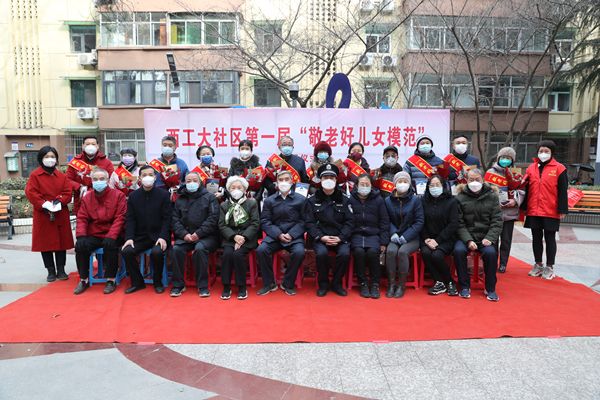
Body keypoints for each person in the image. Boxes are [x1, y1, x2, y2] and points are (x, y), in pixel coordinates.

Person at [73, 167, 127, 295]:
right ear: (91, 181)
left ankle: (111, 280)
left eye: (102, 179)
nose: (99, 181)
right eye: (95, 179)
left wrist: (112, 235)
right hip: (95, 233)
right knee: (80, 246)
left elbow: (120, 218)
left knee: (111, 245)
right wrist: (81, 236)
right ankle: (84, 279)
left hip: (113, 233)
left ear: (107, 180)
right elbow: (82, 218)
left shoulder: (118, 195)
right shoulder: (87, 197)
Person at [25, 146, 75, 282]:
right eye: (47, 157)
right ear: (41, 159)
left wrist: (59, 201)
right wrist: (44, 203)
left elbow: (67, 192)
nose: (50, 159)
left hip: (60, 212)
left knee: (61, 243)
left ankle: (61, 269)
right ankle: (50, 270)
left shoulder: (62, 176)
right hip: (43, 213)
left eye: (52, 157)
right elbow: (31, 192)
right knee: (45, 243)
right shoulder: (35, 175)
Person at [454, 169, 503, 301]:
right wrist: (468, 240)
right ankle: (464, 286)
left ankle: (490, 288)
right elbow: (459, 223)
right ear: (466, 180)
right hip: (466, 236)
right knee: (458, 251)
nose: (474, 182)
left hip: (485, 237)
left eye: (477, 179)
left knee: (491, 253)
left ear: (483, 180)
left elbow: (497, 221)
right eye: (471, 180)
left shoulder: (492, 196)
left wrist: (490, 238)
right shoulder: (460, 197)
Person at [121, 165, 172, 294]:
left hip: (158, 236)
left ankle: (157, 282)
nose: (147, 177)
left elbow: (167, 219)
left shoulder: (164, 195)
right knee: (127, 251)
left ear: (155, 177)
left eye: (150, 175)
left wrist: (163, 236)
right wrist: (129, 238)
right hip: (140, 237)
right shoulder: (133, 196)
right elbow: (130, 219)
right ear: (139, 178)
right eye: (144, 175)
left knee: (157, 252)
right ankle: (137, 282)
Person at [305, 163, 354, 297]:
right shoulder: (312, 200)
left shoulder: (344, 199)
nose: (328, 180)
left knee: (344, 254)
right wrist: (321, 237)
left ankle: (337, 283)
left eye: (331, 178)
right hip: (321, 237)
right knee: (321, 254)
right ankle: (323, 283)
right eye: (325, 177)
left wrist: (341, 237)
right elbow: (309, 223)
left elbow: (350, 222)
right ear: (320, 180)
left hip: (340, 237)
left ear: (336, 180)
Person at [523, 140, 568, 280]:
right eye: (541, 151)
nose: (543, 153)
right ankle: (538, 264)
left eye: (546, 151)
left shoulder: (560, 168)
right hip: (533, 209)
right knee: (536, 238)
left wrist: (562, 209)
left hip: (551, 210)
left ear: (552, 153)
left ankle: (549, 267)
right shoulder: (531, 168)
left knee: (550, 238)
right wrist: (523, 208)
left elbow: (563, 190)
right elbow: (526, 188)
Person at [257, 170, 307, 296]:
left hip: (294, 237)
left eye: (286, 179)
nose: (284, 182)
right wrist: (278, 234)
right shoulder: (269, 200)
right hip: (275, 236)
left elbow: (305, 221)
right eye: (281, 180)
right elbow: (265, 221)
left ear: (292, 181)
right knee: (262, 250)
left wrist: (292, 234)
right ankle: (269, 283)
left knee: (299, 252)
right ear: (277, 182)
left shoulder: (301, 200)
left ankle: (288, 283)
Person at [170, 171, 220, 297]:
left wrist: (198, 234)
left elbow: (213, 219)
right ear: (184, 183)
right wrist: (184, 234)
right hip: (186, 236)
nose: (191, 183)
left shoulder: (210, 197)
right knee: (176, 249)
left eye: (194, 180)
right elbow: (175, 220)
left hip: (207, 236)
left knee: (200, 248)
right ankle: (178, 285)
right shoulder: (180, 199)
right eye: (188, 181)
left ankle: (202, 286)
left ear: (200, 182)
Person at [218, 176, 260, 300]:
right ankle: (226, 286)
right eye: (233, 187)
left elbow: (255, 223)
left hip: (247, 238)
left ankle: (241, 286)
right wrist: (234, 236)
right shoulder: (224, 205)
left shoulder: (252, 203)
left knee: (238, 255)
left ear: (245, 189)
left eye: (239, 187)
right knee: (227, 255)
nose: (236, 190)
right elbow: (222, 225)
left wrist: (243, 237)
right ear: (228, 190)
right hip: (230, 238)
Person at [349, 174, 389, 299]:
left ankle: (375, 284)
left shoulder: (378, 200)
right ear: (356, 185)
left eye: (367, 184)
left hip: (373, 234)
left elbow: (384, 221)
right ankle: (363, 283)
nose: (365, 186)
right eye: (362, 184)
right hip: (356, 234)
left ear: (371, 186)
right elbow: (346, 220)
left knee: (372, 252)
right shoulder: (350, 199)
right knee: (359, 252)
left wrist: (384, 242)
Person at [485, 147, 524, 273]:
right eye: (503, 157)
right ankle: (492, 262)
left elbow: (522, 190)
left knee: (506, 240)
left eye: (508, 158)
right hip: (494, 212)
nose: (505, 160)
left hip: (509, 212)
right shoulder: (491, 172)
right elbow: (485, 190)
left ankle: (503, 263)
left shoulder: (516, 173)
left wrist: (515, 201)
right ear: (498, 158)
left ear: (512, 160)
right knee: (493, 240)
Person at [384, 171, 424, 298]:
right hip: (394, 236)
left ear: (409, 183)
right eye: (400, 181)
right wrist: (393, 233)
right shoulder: (388, 201)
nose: (402, 184)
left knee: (402, 252)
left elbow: (419, 221)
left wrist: (406, 236)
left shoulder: (415, 200)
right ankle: (391, 284)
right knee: (391, 251)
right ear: (395, 184)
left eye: (405, 181)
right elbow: (386, 220)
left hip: (412, 237)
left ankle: (401, 285)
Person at [420, 175, 459, 296]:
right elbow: (421, 221)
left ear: (443, 186)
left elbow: (453, 224)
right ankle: (439, 282)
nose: (434, 188)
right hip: (428, 238)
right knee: (425, 252)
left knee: (437, 255)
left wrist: (438, 240)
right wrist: (426, 238)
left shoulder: (451, 201)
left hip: (446, 238)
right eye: (432, 185)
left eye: (437, 185)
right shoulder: (423, 201)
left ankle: (450, 282)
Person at [66, 136, 114, 212]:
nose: (90, 146)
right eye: (87, 144)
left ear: (97, 146)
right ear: (83, 146)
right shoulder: (75, 162)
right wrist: (79, 187)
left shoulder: (106, 162)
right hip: (80, 201)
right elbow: (67, 179)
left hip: (102, 200)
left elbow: (111, 180)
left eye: (93, 144)